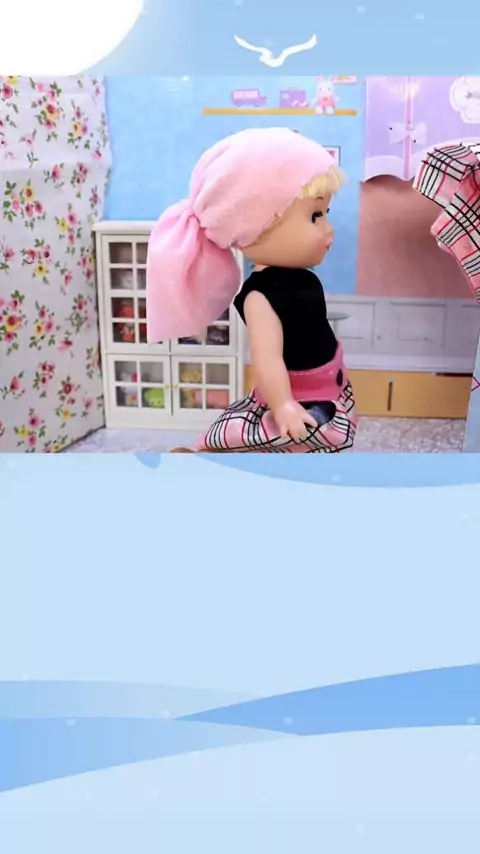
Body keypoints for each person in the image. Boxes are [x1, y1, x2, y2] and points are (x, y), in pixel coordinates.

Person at [146, 126, 357, 452]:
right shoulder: (260, 296)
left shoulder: (305, 277)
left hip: (328, 386)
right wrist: (282, 404)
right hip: (297, 397)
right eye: (315, 216)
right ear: (256, 226)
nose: (328, 230)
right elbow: (267, 361)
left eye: (325, 213)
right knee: (294, 448)